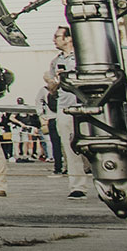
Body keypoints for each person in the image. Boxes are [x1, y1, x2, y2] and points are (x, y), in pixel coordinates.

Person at [44, 27, 88, 199]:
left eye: (57, 36)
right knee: (70, 148)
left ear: (69, 39)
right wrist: (54, 81)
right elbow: (52, 89)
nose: (54, 40)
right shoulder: (56, 62)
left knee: (92, 147)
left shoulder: (81, 58)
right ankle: (77, 186)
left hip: (83, 106)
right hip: (65, 107)